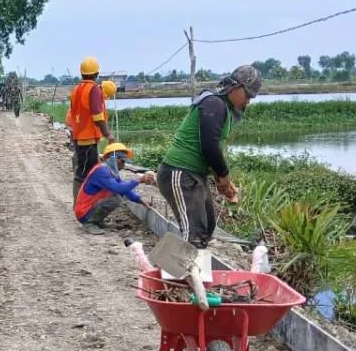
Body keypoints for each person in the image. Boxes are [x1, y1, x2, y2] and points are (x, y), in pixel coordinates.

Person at [157, 66, 263, 249]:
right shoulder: (214, 103)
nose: (248, 101)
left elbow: (212, 150)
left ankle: (188, 274)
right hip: (180, 173)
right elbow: (209, 146)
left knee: (207, 227)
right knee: (194, 236)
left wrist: (222, 180)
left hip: (194, 175)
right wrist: (224, 174)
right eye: (248, 95)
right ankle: (171, 274)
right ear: (236, 87)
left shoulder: (223, 108)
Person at [75, 143, 156, 235]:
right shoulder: (101, 171)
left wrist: (141, 201)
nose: (124, 166)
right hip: (83, 212)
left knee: (115, 196)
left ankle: (98, 221)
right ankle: (89, 223)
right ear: (114, 159)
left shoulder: (110, 172)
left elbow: (125, 189)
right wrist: (139, 180)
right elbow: (118, 188)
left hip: (87, 208)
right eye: (122, 161)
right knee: (115, 198)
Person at [65, 57, 114, 198]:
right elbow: (97, 116)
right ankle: (81, 204)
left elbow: (74, 113)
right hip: (88, 138)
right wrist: (108, 135)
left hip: (78, 135)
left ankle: (86, 201)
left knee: (85, 169)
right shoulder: (94, 90)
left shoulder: (77, 90)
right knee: (85, 172)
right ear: (96, 74)